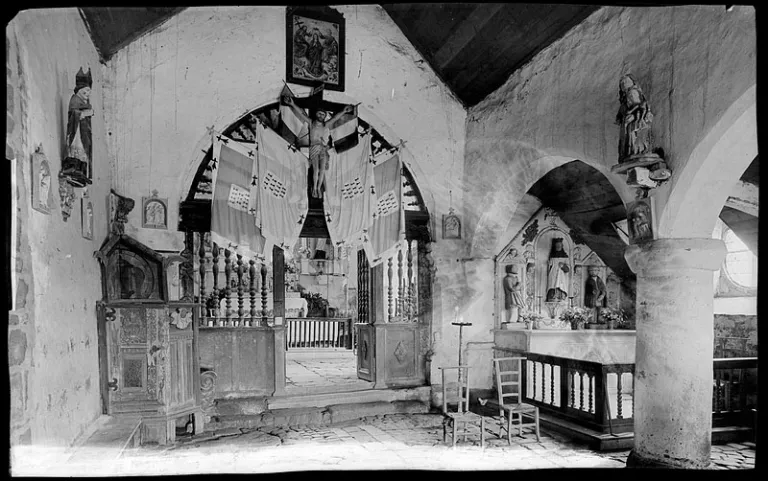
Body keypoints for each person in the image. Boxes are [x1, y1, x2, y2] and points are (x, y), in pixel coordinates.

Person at [283, 95, 354, 198]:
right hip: (314, 148)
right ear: (316, 114)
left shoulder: (326, 125)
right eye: (319, 113)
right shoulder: (311, 123)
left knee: (322, 170)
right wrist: (292, 104)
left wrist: (344, 111)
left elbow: (335, 118)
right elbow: (302, 113)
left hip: (323, 149)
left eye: (323, 114)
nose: (321, 116)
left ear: (325, 116)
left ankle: (319, 187)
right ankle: (315, 188)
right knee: (316, 170)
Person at [64, 68, 94, 184]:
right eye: (84, 92)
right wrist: (85, 113)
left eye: (88, 93)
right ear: (78, 91)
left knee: (84, 150)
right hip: (76, 131)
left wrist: (88, 112)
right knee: (77, 149)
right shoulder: (75, 99)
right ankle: (74, 169)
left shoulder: (83, 102)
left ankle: (81, 171)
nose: (87, 95)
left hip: (83, 131)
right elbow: (74, 114)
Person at [615, 74, 654, 163]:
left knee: (634, 137)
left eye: (626, 81)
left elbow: (640, 106)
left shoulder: (633, 92)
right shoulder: (626, 97)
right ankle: (630, 154)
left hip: (635, 120)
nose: (624, 84)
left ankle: (635, 153)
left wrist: (633, 115)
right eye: (622, 83)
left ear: (632, 82)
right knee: (628, 137)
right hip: (628, 122)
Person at [546, 238, 570, 302]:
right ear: (555, 247)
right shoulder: (552, 256)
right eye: (557, 246)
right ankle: (553, 297)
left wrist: (563, 266)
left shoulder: (565, 257)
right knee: (553, 286)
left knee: (560, 286)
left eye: (560, 245)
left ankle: (560, 297)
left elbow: (568, 269)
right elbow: (549, 268)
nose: (558, 247)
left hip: (562, 277)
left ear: (562, 246)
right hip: (553, 276)